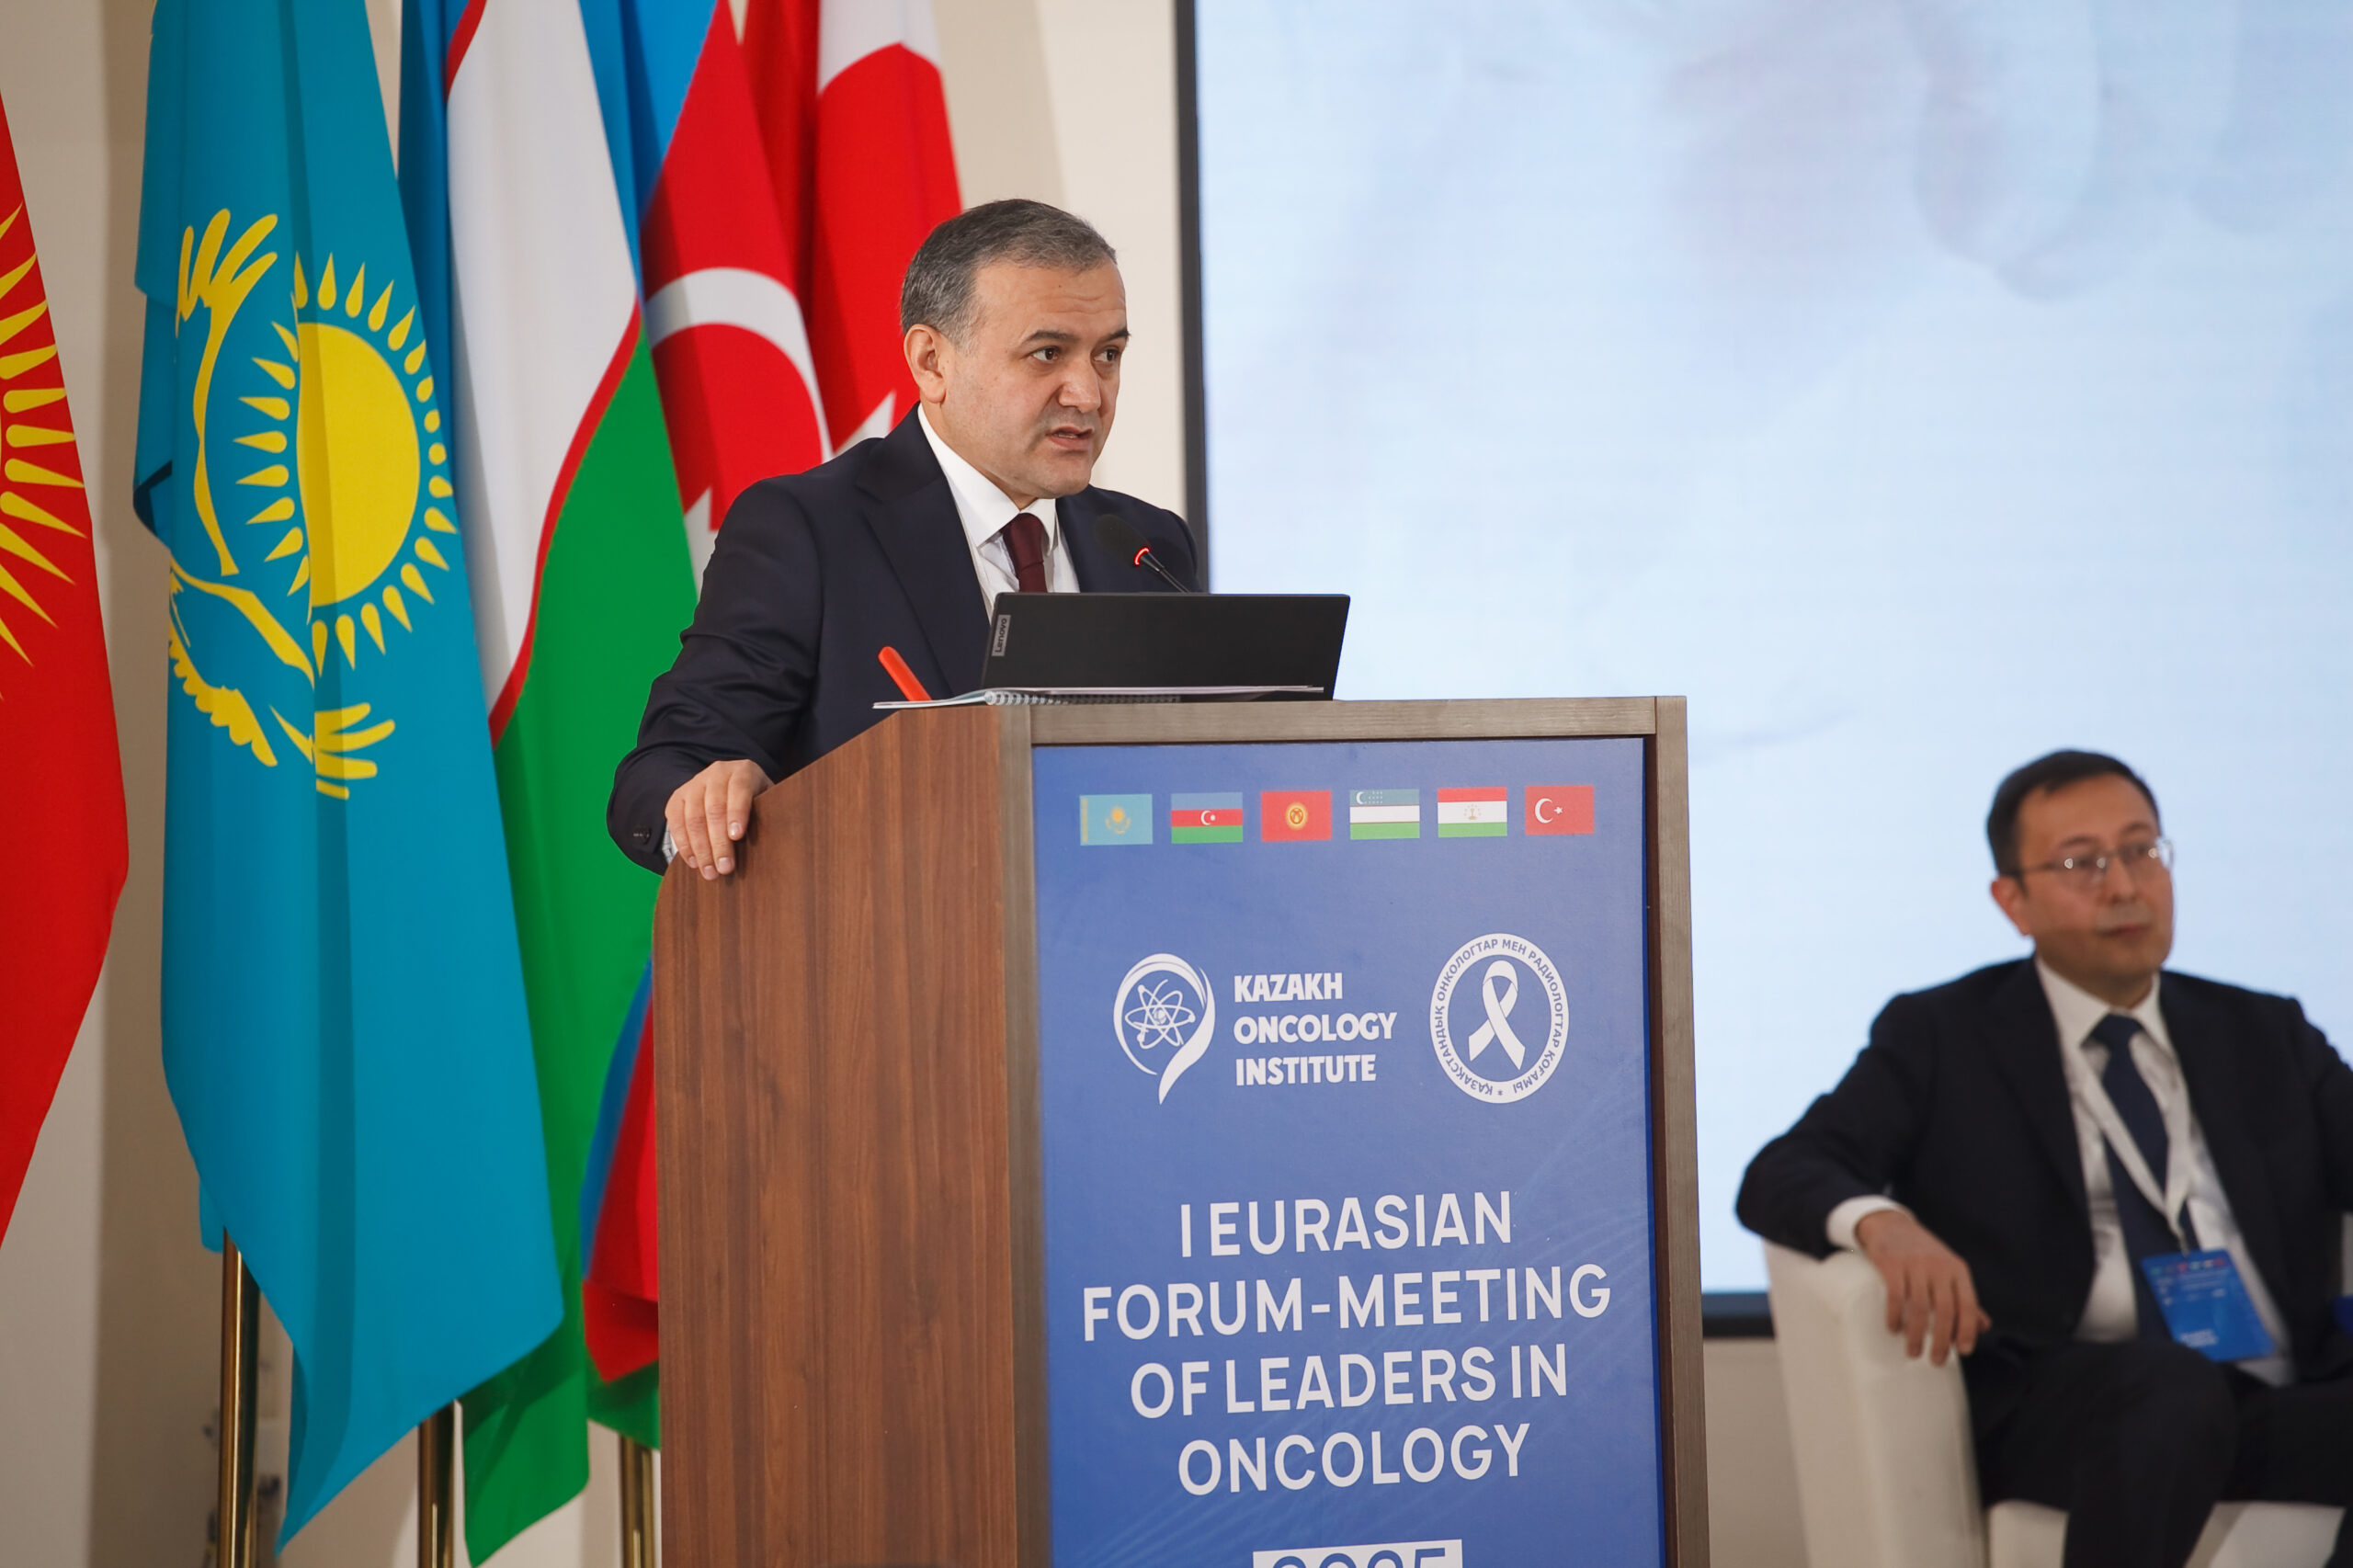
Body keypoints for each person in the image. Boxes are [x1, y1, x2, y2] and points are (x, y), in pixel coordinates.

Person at [1739, 750, 2353, 1568]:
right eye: (2080, 863)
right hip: (2074, 1399)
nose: (2124, 886)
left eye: (2141, 850)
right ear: (2012, 902)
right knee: (2171, 1391)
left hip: (2276, 1390)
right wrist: (1883, 1223)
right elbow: (1783, 1169)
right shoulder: (1943, 1035)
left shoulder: (2263, 1031)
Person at [607, 199, 1199, 877]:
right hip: (893, 929)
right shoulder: (807, 530)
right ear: (931, 361)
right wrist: (706, 799)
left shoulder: (1148, 546)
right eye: (1047, 354)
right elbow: (667, 767)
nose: (1089, 394)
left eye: (1108, 355)